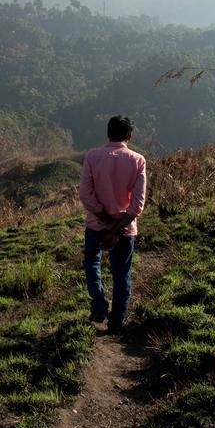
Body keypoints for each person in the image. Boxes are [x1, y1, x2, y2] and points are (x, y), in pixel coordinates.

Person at [79, 115, 147, 334]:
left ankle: (99, 304)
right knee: (122, 274)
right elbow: (137, 206)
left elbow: (86, 196)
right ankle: (117, 322)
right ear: (130, 136)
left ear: (108, 133)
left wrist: (106, 223)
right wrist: (116, 228)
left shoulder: (92, 156)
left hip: (96, 225)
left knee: (92, 263)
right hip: (125, 229)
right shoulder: (138, 160)